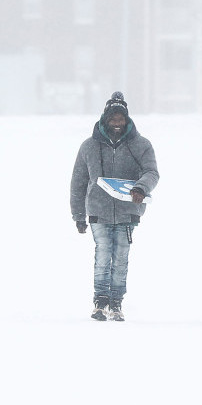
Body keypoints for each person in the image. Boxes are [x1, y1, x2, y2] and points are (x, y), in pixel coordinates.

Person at [70, 91, 159, 322]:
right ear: (105, 119)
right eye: (113, 119)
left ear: (127, 120)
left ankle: (117, 302)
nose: (117, 124)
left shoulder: (141, 145)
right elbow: (78, 183)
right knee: (102, 256)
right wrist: (79, 215)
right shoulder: (89, 147)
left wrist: (140, 188)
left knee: (120, 258)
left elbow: (151, 172)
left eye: (121, 119)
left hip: (128, 212)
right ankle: (100, 301)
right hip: (98, 212)